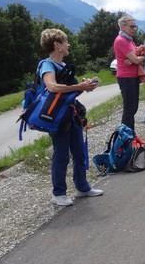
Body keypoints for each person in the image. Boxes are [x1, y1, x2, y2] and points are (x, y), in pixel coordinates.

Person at [38, 28, 102, 206]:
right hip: (57, 118)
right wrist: (78, 87)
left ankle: (82, 187)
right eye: (65, 41)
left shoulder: (63, 66)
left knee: (79, 152)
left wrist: (84, 86)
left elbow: (69, 93)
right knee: (61, 155)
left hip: (70, 114)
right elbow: (52, 87)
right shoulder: (47, 65)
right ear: (57, 45)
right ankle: (58, 193)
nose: (68, 44)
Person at [113, 15, 145, 132]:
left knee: (133, 107)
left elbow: (136, 57)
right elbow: (137, 60)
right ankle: (125, 137)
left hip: (132, 76)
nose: (134, 29)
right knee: (129, 109)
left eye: (135, 26)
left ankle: (130, 135)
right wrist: (140, 57)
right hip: (126, 77)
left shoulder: (129, 40)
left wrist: (136, 57)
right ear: (123, 27)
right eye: (132, 27)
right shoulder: (121, 40)